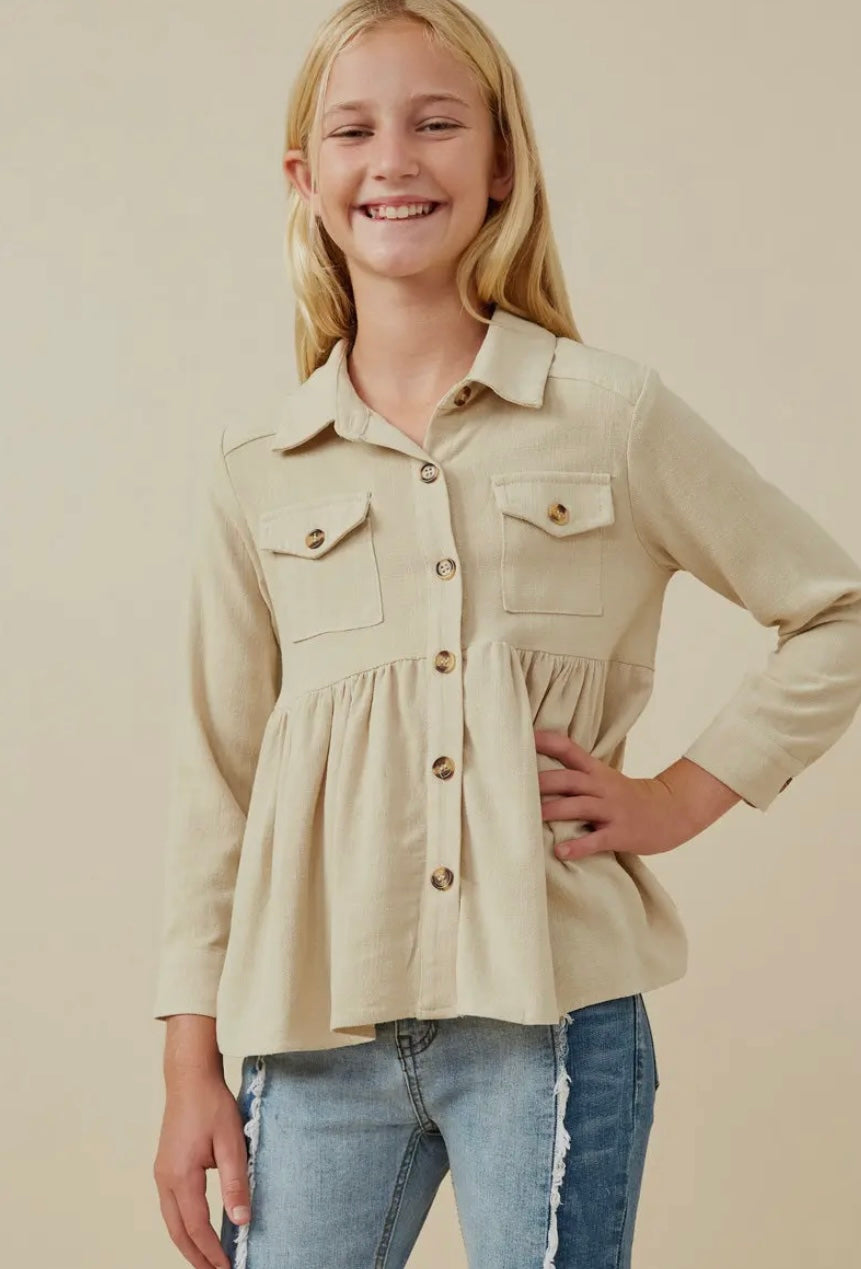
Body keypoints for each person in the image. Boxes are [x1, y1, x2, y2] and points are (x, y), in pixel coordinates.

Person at [151, 2, 861, 1267]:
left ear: (502, 166)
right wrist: (185, 1066)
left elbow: (832, 611)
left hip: (554, 1013)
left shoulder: (611, 414)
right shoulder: (255, 471)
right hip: (313, 1031)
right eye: (355, 132)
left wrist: (684, 797)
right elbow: (221, 783)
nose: (396, 162)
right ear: (307, 181)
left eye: (437, 124)